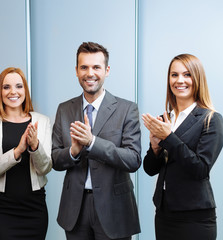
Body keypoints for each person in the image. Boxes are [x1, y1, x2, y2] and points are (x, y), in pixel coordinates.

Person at [52, 42, 141, 240]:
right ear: (76, 71)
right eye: (84, 67)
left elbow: (133, 159)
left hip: (114, 209)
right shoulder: (64, 109)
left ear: (107, 70)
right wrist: (73, 151)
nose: (89, 73)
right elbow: (54, 159)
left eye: (96, 67)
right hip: (75, 208)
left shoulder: (127, 109)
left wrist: (92, 143)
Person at [142, 53, 223, 240]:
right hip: (164, 215)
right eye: (174, 75)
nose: (180, 80)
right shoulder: (165, 119)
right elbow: (150, 169)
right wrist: (155, 148)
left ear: (198, 79)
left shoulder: (211, 119)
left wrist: (168, 137)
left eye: (187, 75)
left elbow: (200, 169)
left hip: (194, 219)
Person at [0, 67, 52, 240]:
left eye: (19, 86)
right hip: (1, 210)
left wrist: (35, 147)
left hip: (35, 208)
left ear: (25, 90)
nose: (13, 92)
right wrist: (17, 151)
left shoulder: (42, 121)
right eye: (6, 87)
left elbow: (45, 168)